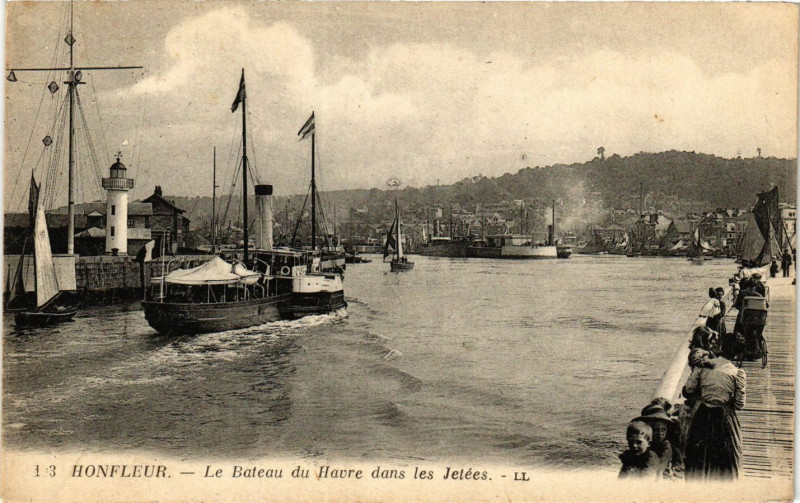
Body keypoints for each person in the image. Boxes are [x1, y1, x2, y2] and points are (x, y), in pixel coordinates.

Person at [682, 328, 746, 480]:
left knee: (698, 454)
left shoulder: (704, 365)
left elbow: (687, 390)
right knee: (727, 456)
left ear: (722, 346)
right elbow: (739, 404)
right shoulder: (737, 373)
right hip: (725, 417)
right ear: (737, 353)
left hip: (703, 413)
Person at [635, 404, 683, 478]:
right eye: (656, 430)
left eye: (663, 430)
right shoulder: (641, 444)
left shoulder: (667, 446)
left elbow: (678, 466)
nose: (660, 434)